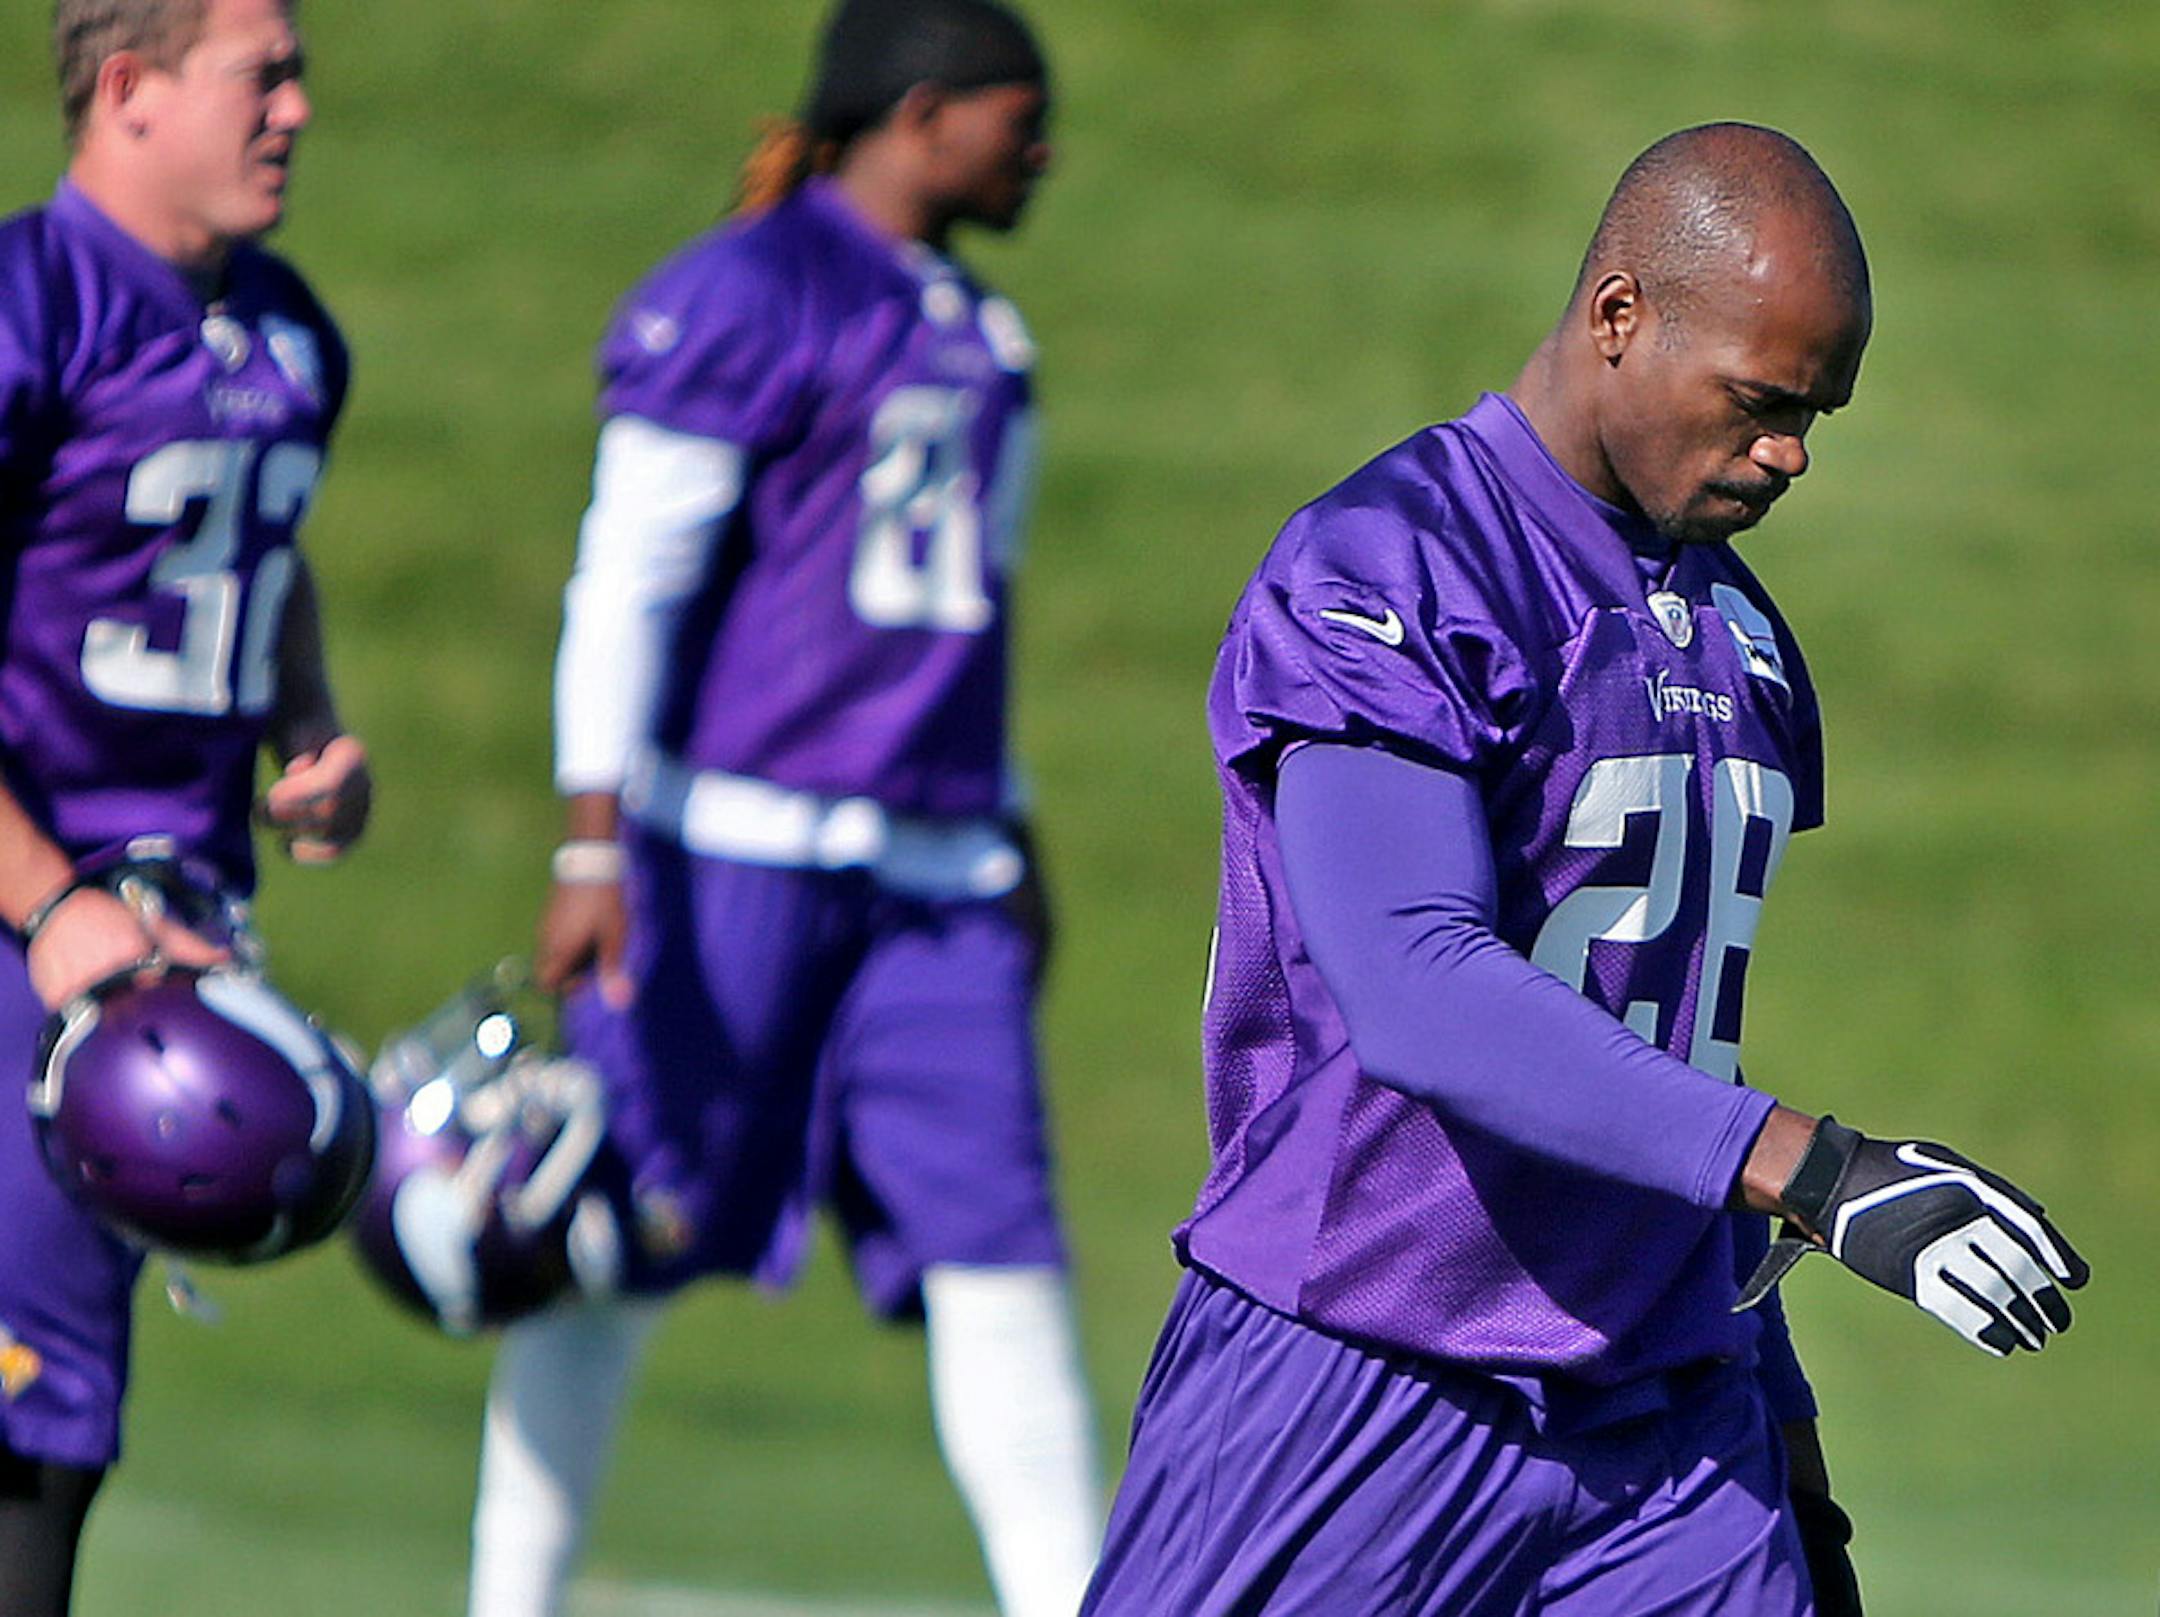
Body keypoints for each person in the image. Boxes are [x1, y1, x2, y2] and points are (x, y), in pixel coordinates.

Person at [1081, 124, 2087, 1617]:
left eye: (1817, 415)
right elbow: (1419, 985)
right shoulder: (1390, 564)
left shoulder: (1738, 633)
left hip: (1670, 1419)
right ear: (1620, 315)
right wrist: (1821, 1172)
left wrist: (1785, 1429)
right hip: (1366, 1371)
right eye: (1760, 403)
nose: (1791, 452)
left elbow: (1670, 1047)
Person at [465, 3, 1102, 1614]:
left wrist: (1009, 822)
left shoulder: (986, 332)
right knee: (611, 1240)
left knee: (1000, 1253)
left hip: (935, 872)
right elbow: (631, 577)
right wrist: (591, 835)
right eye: (1017, 116)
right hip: (731, 847)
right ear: (923, 112)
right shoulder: (745, 289)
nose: (1040, 149)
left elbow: (970, 619)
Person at [0, 0, 369, 1608]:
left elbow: (251, 553)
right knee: (29, 1409)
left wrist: (309, 719)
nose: (297, 107)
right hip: (42, 915)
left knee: (60, 1406)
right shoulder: (31, 300)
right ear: (131, 89)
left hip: (168, 918)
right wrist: (50, 903)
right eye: (262, 74)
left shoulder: (288, 327)